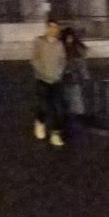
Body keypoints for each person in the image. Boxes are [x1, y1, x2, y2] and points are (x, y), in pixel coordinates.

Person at [29, 19, 68, 147]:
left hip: (56, 80)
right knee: (43, 106)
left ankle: (55, 134)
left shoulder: (59, 44)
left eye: (55, 28)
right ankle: (40, 123)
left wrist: (59, 73)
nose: (52, 30)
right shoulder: (39, 42)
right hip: (42, 80)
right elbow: (34, 59)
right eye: (50, 27)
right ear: (46, 28)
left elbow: (63, 60)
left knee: (58, 109)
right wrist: (42, 72)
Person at [59, 27, 89, 130]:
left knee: (75, 96)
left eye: (71, 37)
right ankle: (70, 115)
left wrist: (84, 75)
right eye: (68, 37)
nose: (69, 39)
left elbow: (81, 64)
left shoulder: (76, 48)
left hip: (74, 77)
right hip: (66, 77)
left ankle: (76, 115)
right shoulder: (62, 48)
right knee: (68, 96)